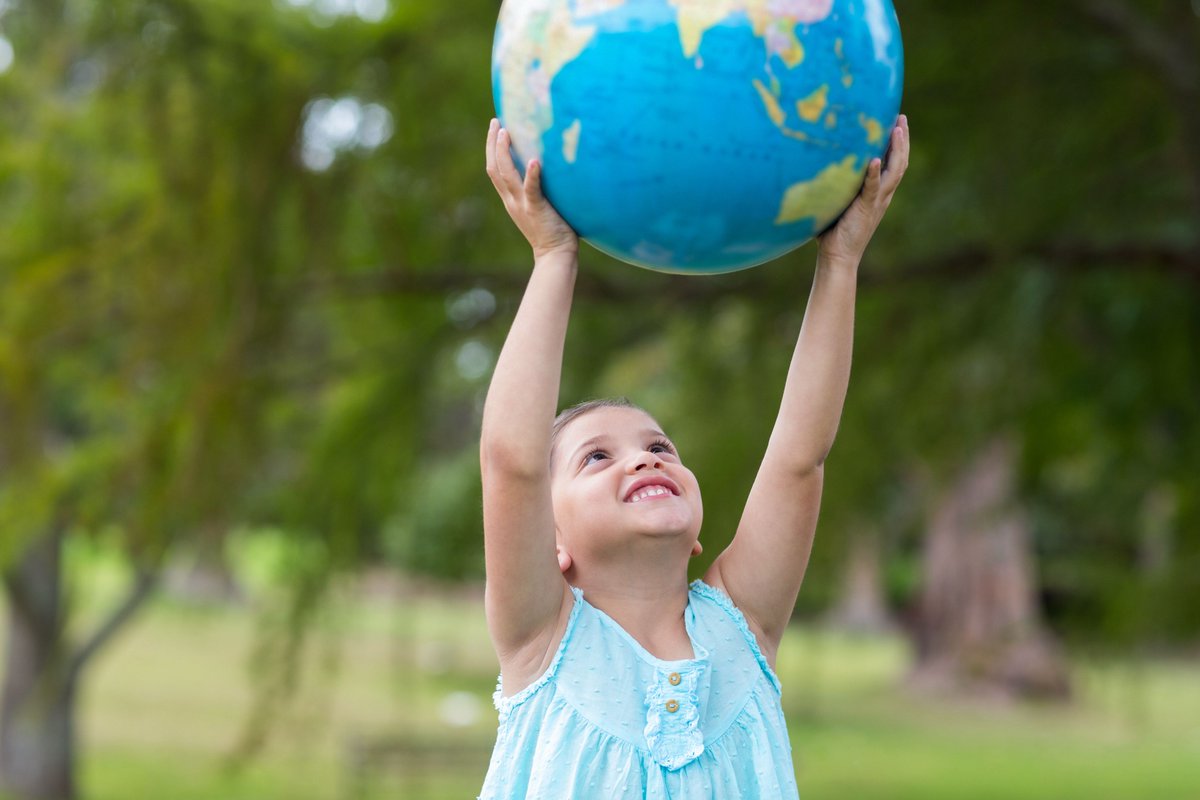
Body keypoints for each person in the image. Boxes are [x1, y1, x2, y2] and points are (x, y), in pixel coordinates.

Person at [478, 115, 909, 799]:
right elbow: (513, 461)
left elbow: (799, 456)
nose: (644, 461)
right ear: (549, 540)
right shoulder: (543, 637)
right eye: (596, 458)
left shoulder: (744, 627)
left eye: (658, 446)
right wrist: (553, 258)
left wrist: (842, 260)